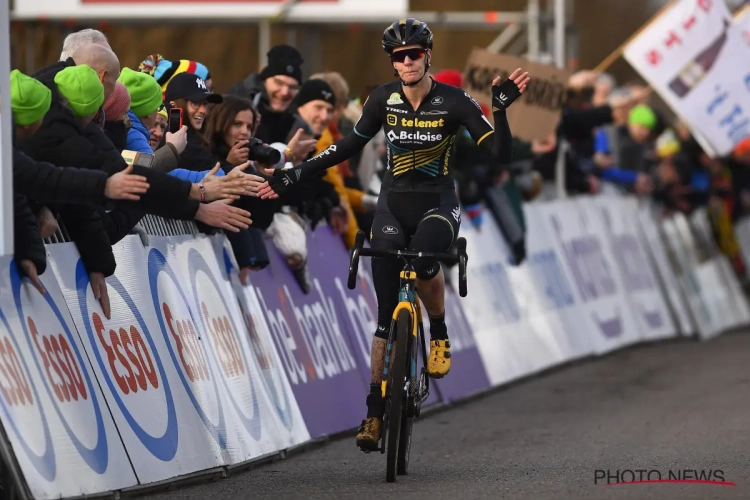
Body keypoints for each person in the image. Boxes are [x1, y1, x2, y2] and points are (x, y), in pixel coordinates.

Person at [257, 18, 529, 451]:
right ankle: (374, 412)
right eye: (398, 56)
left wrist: (499, 109)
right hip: (392, 203)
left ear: (428, 55)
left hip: (438, 202)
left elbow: (498, 155)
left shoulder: (454, 101)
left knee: (423, 258)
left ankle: (438, 330)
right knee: (385, 314)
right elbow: (346, 146)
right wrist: (295, 173)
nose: (405, 62)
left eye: (413, 54)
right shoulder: (382, 99)